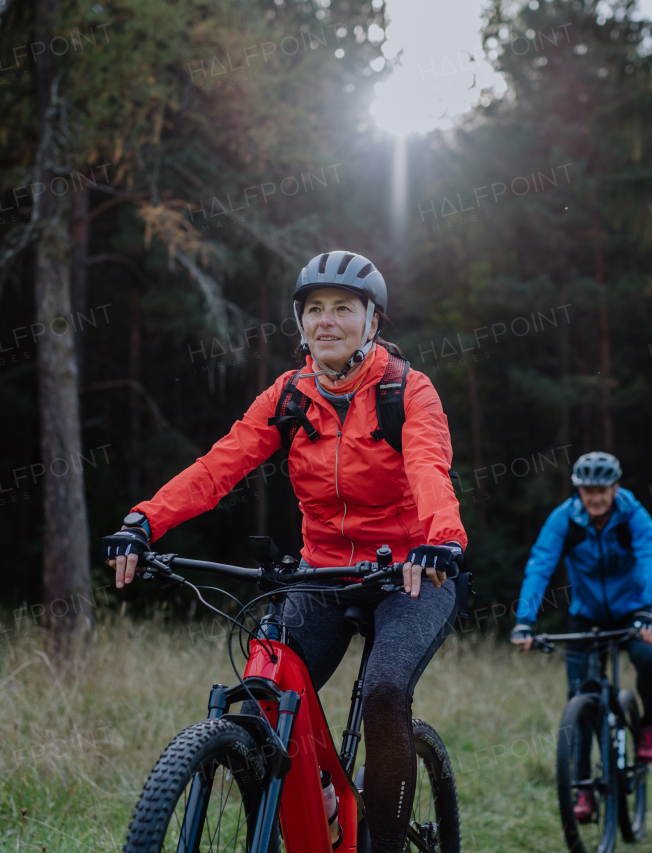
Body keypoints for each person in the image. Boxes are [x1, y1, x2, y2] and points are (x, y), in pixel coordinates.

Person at [100, 250, 466, 853]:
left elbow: (429, 468)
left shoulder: (408, 392)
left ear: (372, 322)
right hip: (324, 571)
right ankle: (316, 795)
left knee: (382, 692)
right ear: (300, 324)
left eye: (343, 309)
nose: (326, 321)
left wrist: (439, 541)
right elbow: (219, 466)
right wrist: (144, 521)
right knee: (266, 685)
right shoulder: (288, 396)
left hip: (412, 571)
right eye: (313, 310)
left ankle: (386, 845)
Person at [510, 451, 652, 814]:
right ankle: (583, 788)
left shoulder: (633, 516)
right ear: (578, 491)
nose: (596, 498)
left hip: (633, 611)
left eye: (603, 490)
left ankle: (648, 725)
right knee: (578, 697)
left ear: (615, 487)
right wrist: (525, 621)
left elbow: (651, 558)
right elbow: (540, 565)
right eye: (588, 491)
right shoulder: (564, 520)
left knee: (645, 657)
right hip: (585, 615)